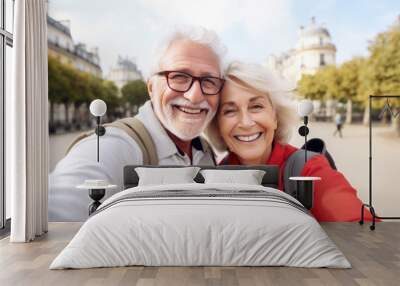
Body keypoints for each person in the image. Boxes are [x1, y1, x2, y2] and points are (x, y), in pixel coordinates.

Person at [49, 26, 227, 221]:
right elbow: (57, 214)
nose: (194, 96)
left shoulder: (205, 152)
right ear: (151, 87)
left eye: (209, 81)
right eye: (179, 77)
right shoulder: (115, 145)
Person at [205, 61, 372, 222]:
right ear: (218, 126)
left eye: (256, 106)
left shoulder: (309, 169)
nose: (246, 122)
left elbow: (365, 238)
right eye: (230, 111)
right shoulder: (214, 178)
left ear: (275, 117)